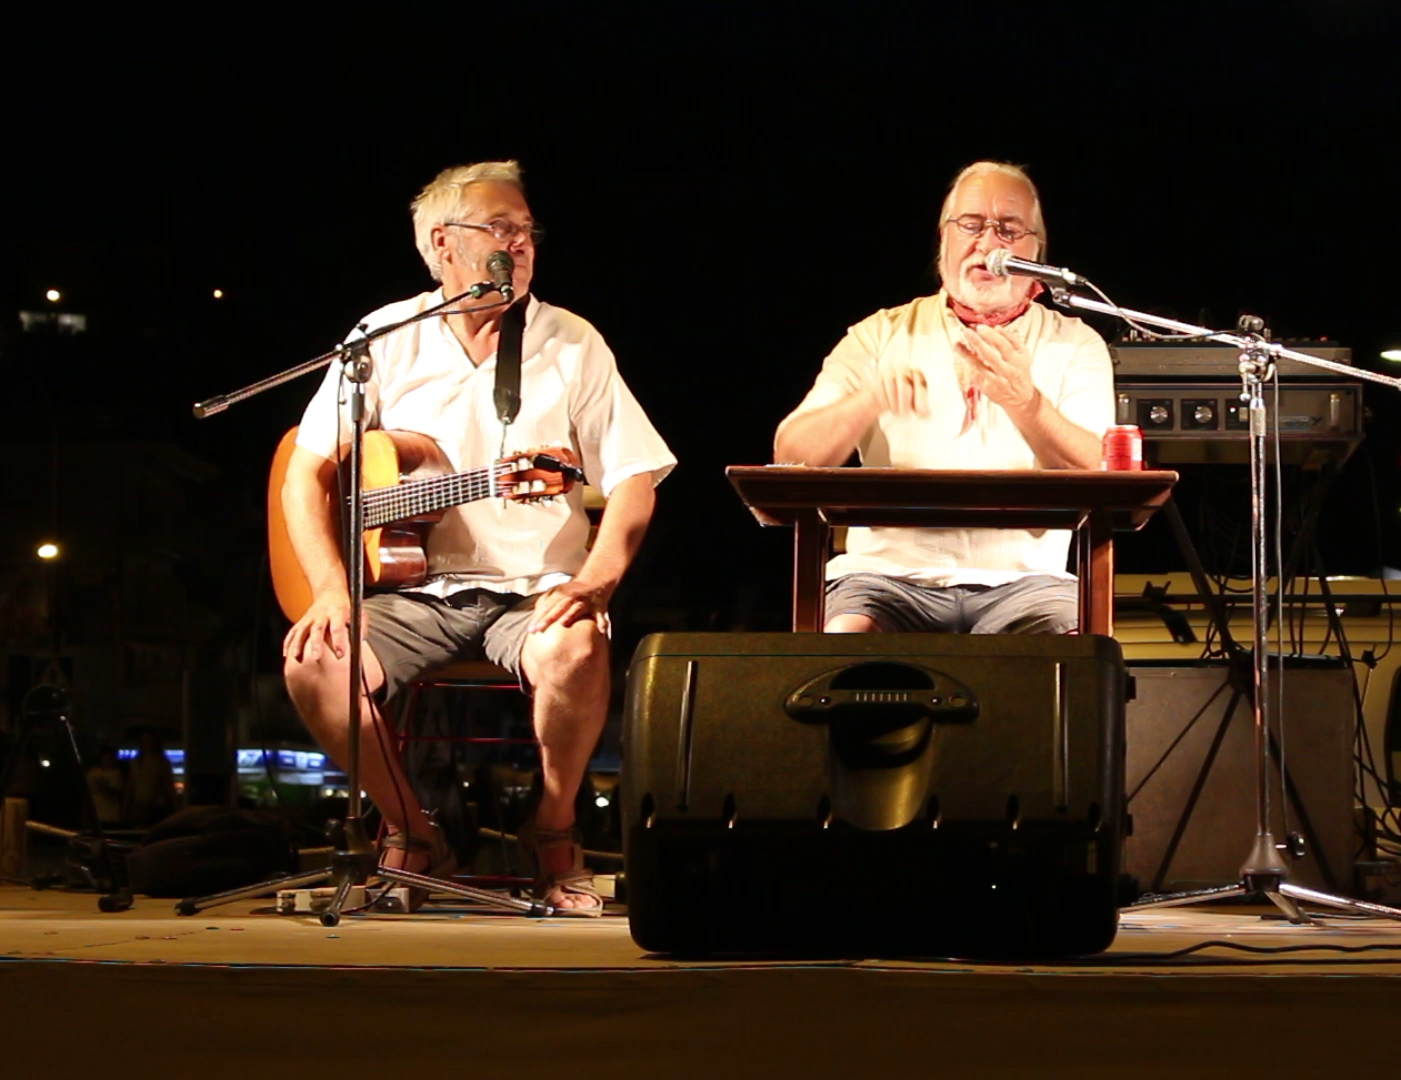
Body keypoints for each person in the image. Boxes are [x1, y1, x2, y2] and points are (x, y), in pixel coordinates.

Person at [281, 160, 675, 912]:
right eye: (500, 228)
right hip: (407, 588)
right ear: (442, 242)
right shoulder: (382, 339)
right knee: (310, 663)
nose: (519, 244)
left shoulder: (569, 341)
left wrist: (594, 583)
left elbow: (634, 480)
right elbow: (306, 476)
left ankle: (553, 831)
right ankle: (410, 829)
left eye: (527, 231)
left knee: (578, 644)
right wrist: (331, 588)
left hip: (532, 593)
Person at [773, 161, 1114, 635]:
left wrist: (1026, 402)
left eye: (1010, 230)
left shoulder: (1075, 343)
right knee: (842, 650)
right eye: (971, 226)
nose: (990, 244)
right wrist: (867, 401)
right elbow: (790, 456)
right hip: (884, 580)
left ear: (1038, 251)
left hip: (1028, 584)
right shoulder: (880, 334)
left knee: (1078, 665)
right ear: (944, 239)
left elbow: (1103, 468)